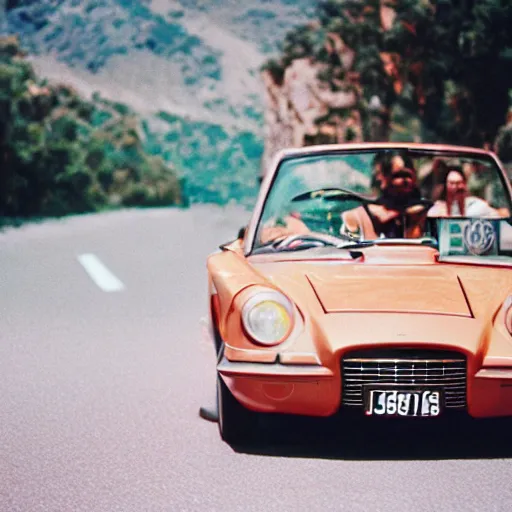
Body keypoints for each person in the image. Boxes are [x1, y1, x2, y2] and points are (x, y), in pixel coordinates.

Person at [341, 150, 428, 239]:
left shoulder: (427, 213)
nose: (404, 181)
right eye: (397, 176)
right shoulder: (358, 215)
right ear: (381, 178)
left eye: (408, 175)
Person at [427, 166, 501, 218]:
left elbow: (496, 216)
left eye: (459, 183)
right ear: (445, 187)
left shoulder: (477, 207)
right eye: (451, 183)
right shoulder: (437, 210)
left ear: (465, 185)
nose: (455, 187)